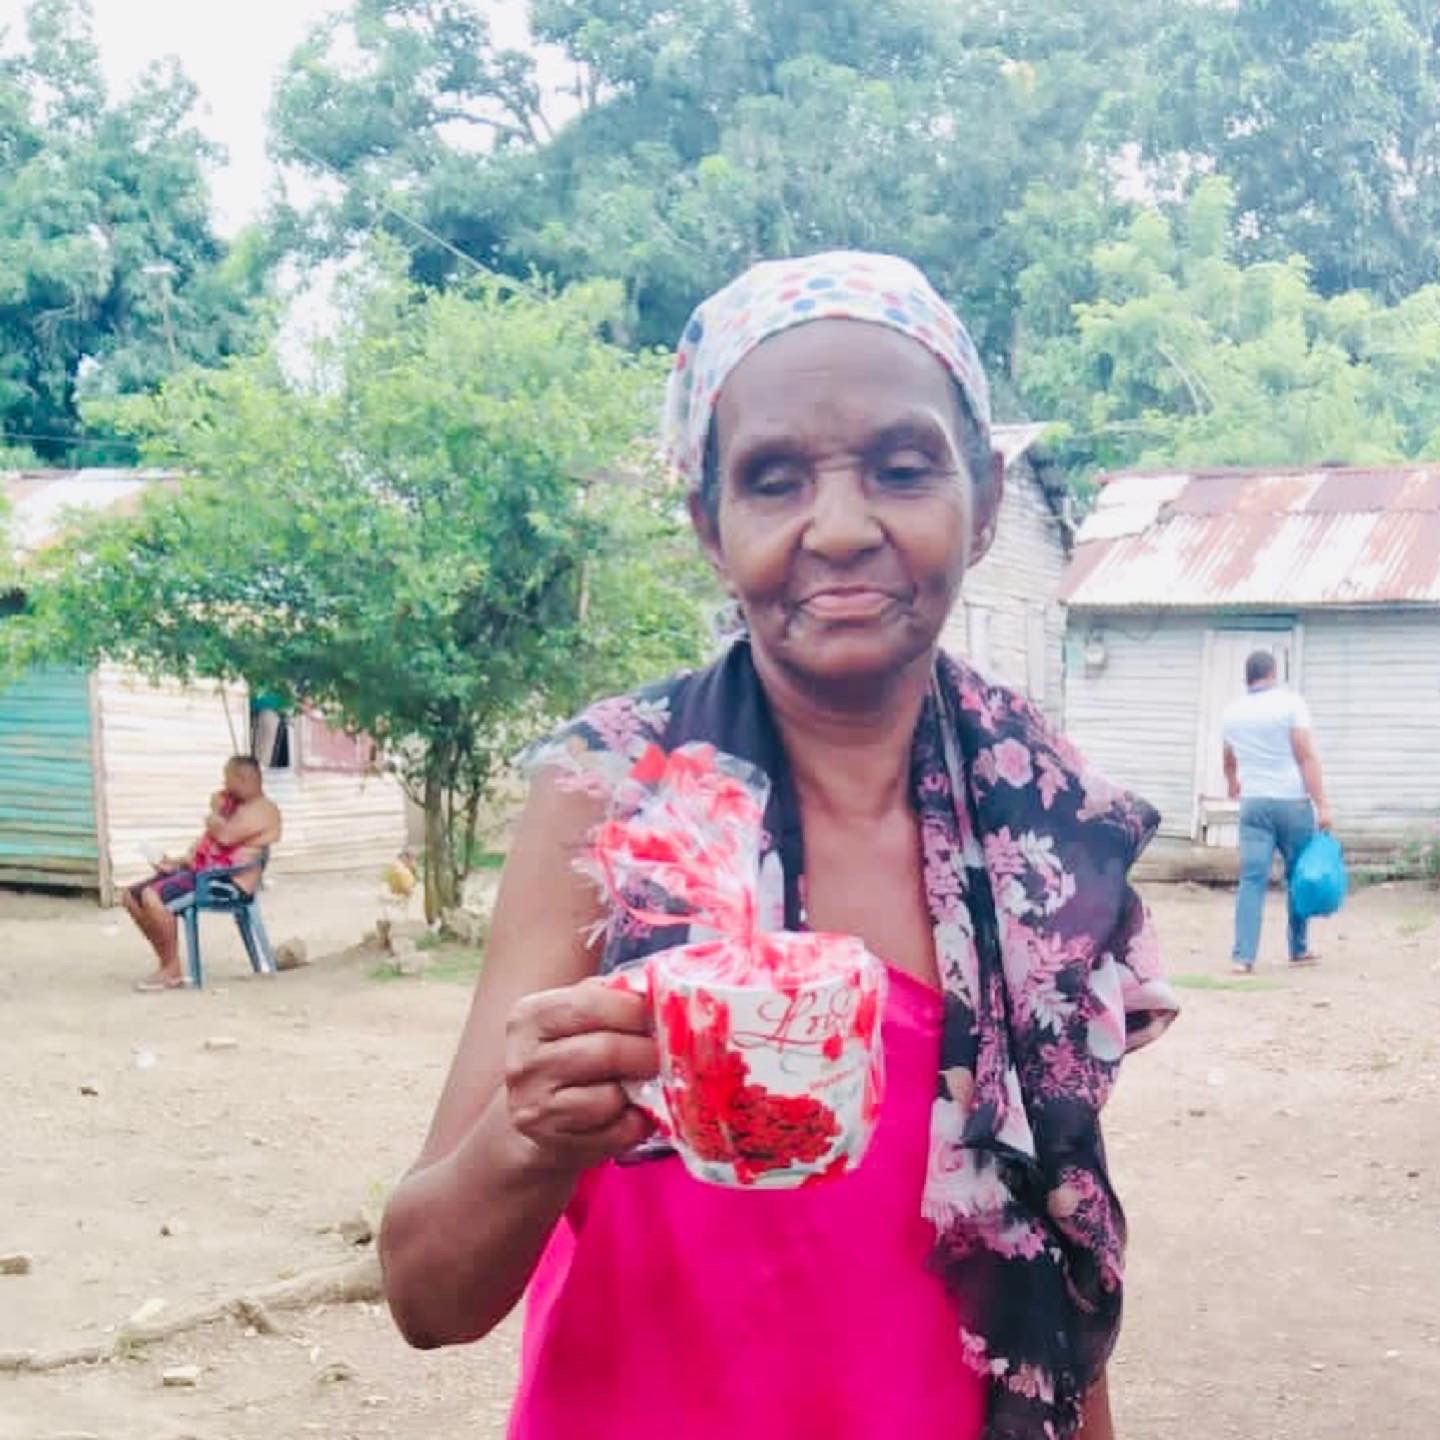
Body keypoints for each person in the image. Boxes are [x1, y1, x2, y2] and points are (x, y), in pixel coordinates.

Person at [379, 253, 1178, 1440]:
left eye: (903, 469)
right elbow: (429, 1296)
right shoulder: (610, 801)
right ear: (710, 523)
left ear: (989, 497)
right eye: (773, 480)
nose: (842, 528)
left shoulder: (1046, 828)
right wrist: (531, 1133)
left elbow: (1051, 1250)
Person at [124, 754, 282, 992]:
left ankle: (171, 970)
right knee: (131, 895)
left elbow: (226, 836)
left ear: (243, 779)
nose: (224, 786)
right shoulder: (233, 807)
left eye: (228, 780)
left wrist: (213, 815)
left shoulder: (264, 810)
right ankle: (167, 962)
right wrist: (175, 863)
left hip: (226, 881)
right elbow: (209, 845)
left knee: (152, 896)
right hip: (201, 872)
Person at [1222, 650, 1332, 975]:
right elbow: (1305, 756)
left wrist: (1233, 785)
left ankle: (1243, 957)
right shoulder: (1291, 704)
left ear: (1248, 676)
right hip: (1291, 802)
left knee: (1251, 880)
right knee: (1298, 875)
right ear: (1273, 673)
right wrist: (1322, 803)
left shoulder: (1232, 713)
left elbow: (1228, 760)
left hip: (1254, 802)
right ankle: (1297, 949)